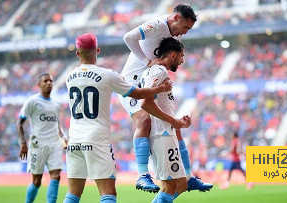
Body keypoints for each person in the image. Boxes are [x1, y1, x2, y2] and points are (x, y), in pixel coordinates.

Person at [63, 33, 173, 203]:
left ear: (77, 53)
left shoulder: (69, 77)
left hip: (75, 140)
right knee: (108, 194)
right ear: (97, 50)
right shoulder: (107, 75)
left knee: (72, 195)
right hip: (96, 138)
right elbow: (137, 93)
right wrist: (161, 88)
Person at [119, 3, 212, 193]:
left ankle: (188, 176)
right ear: (176, 18)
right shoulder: (157, 25)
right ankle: (143, 175)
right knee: (144, 120)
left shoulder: (171, 36)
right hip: (130, 84)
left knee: (175, 127)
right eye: (185, 27)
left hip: (148, 81)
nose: (185, 33)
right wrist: (146, 61)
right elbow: (128, 37)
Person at [140, 37, 192, 202]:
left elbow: (156, 103)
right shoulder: (159, 71)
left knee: (181, 184)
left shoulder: (152, 71)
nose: (182, 60)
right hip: (161, 134)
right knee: (169, 187)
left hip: (165, 131)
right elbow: (146, 103)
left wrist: (177, 121)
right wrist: (172, 121)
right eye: (181, 56)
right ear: (173, 55)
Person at [17, 73, 67, 203]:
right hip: (37, 145)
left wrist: (64, 136)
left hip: (54, 145)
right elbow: (19, 123)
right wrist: (23, 143)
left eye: (51, 81)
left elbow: (57, 124)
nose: (49, 83)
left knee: (56, 176)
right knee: (37, 181)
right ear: (39, 84)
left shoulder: (57, 102)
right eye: (45, 81)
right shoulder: (32, 101)